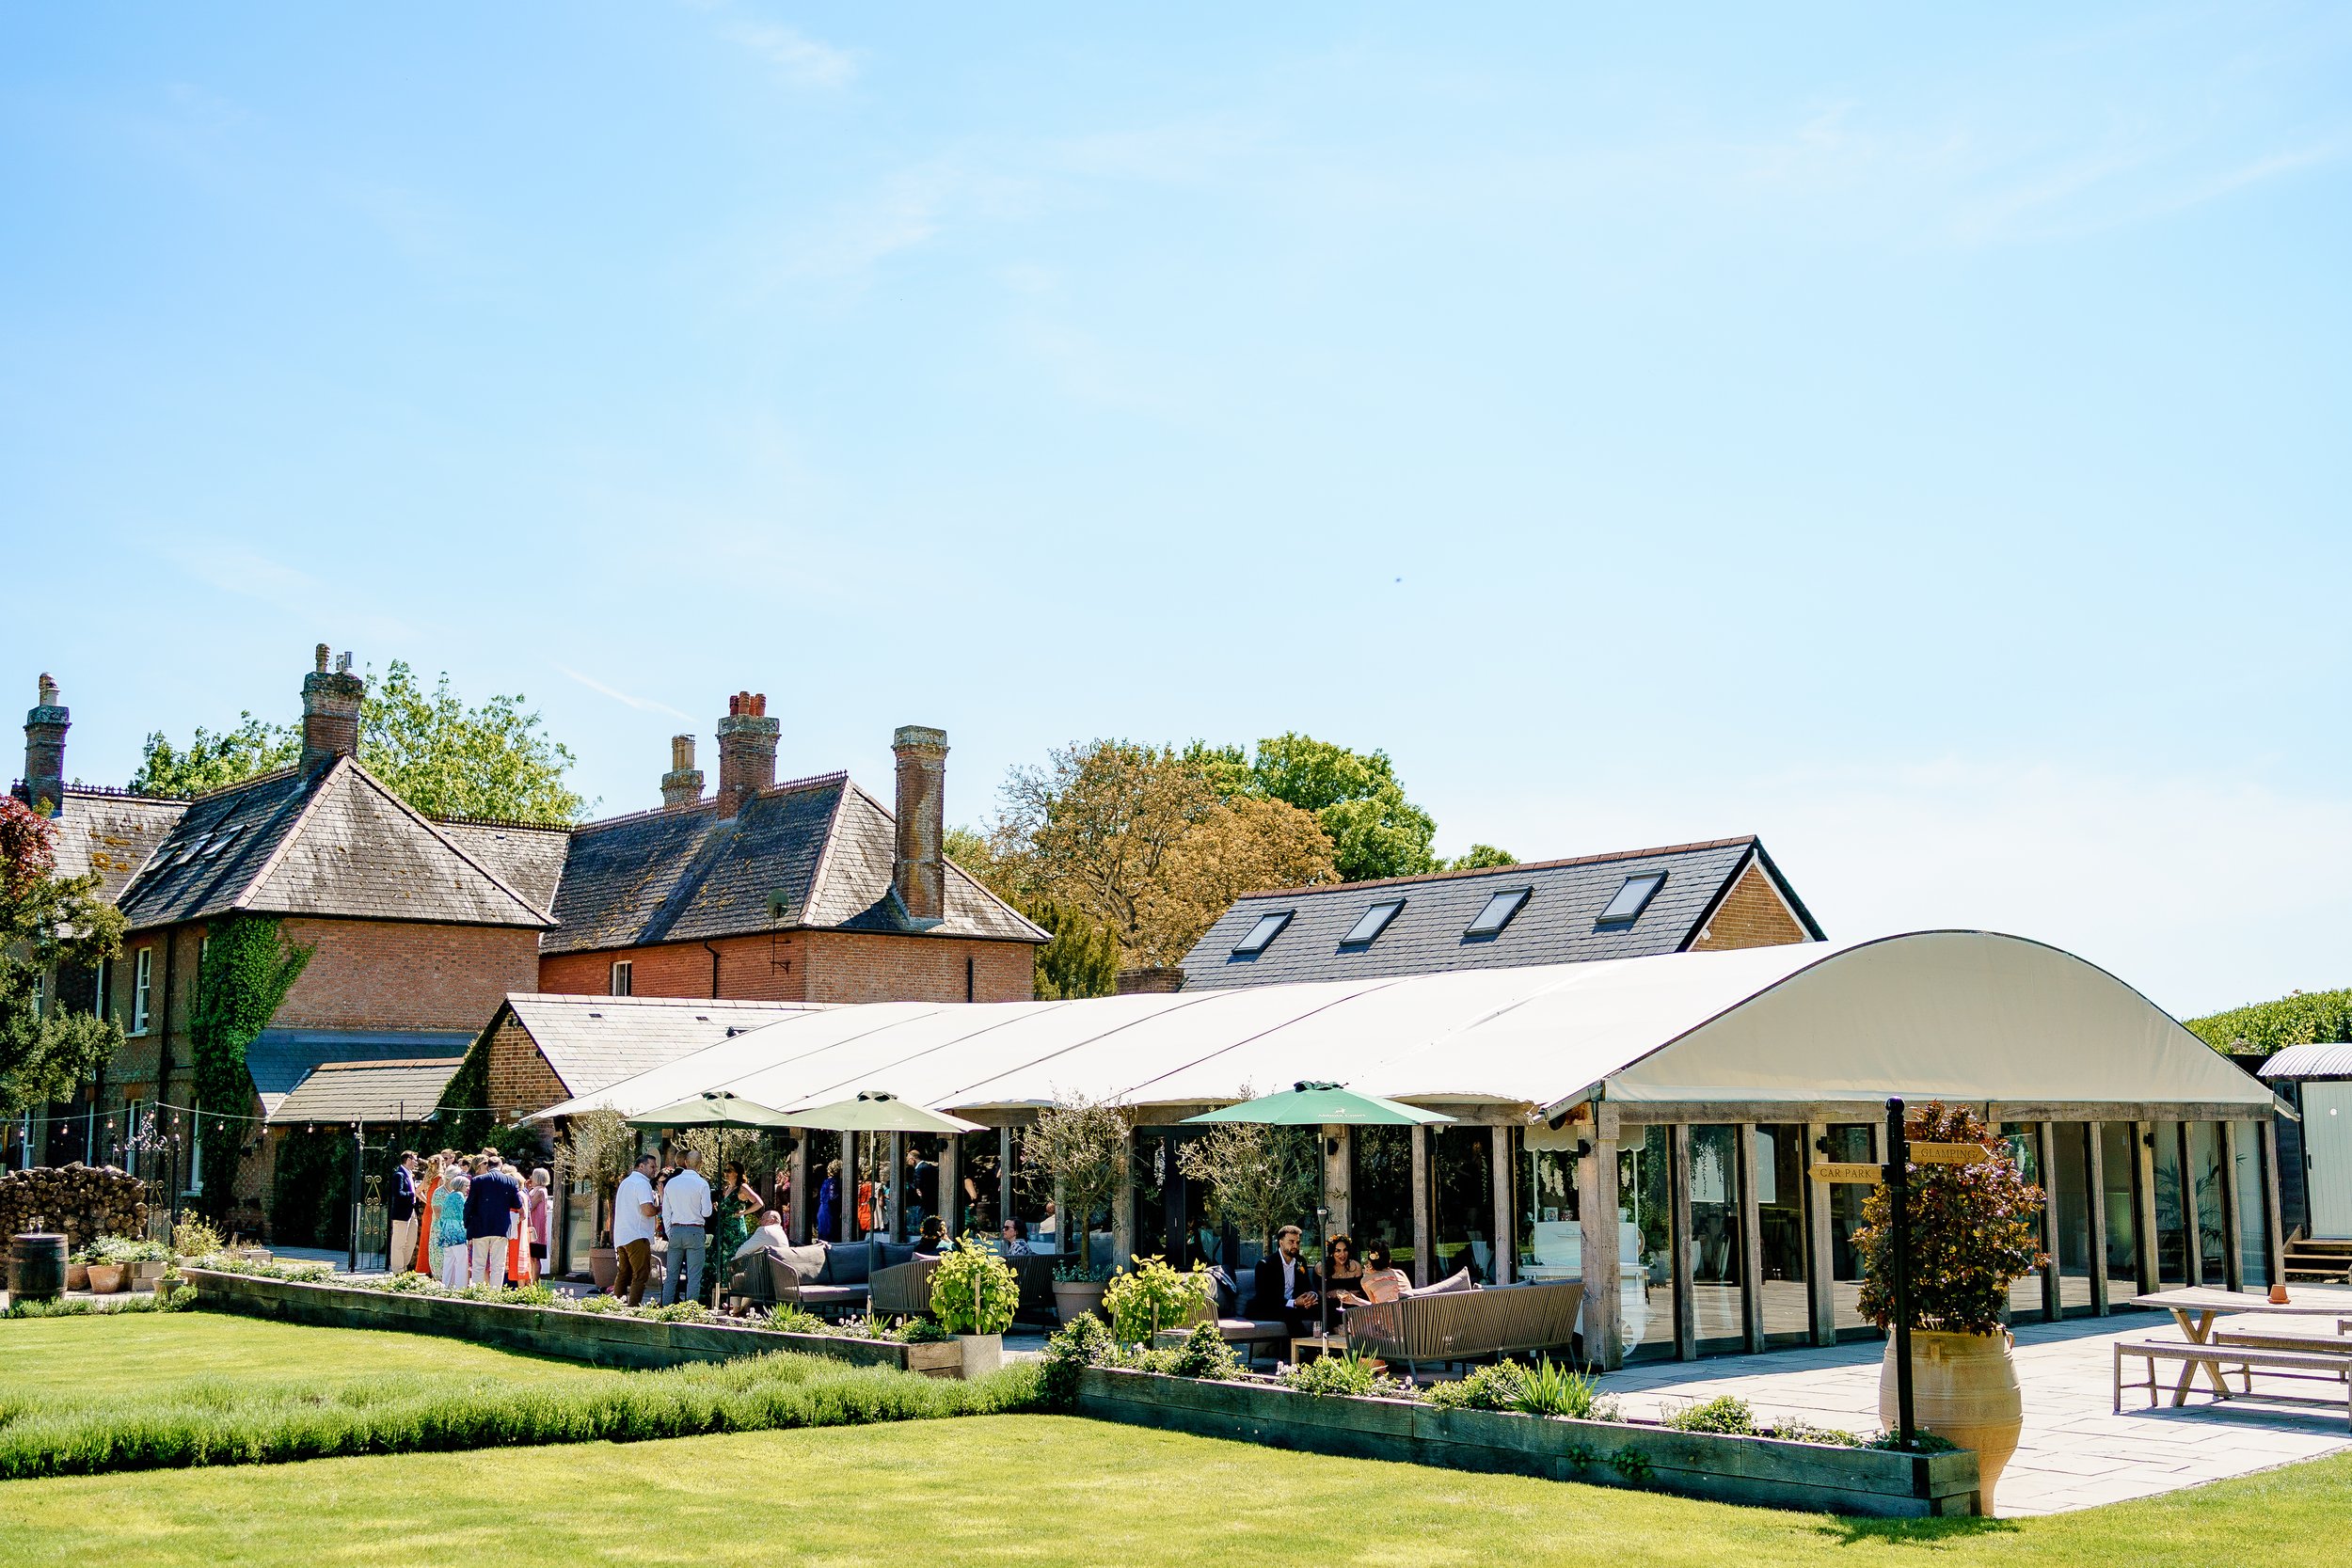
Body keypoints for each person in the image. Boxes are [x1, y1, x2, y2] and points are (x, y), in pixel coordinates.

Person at [660, 1148, 714, 1306]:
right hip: (695, 1229)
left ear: (685, 1163)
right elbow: (707, 1212)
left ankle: (666, 1307)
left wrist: (670, 1233)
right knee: (694, 1275)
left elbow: (666, 1212)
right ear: (701, 1164)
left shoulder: (672, 1183)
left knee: (671, 1275)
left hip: (676, 1229)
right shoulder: (702, 1184)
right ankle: (689, 1310)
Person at [465, 1149, 524, 1288]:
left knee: (478, 1263)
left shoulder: (477, 1181)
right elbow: (516, 1204)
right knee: (498, 1264)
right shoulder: (510, 1181)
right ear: (501, 1165)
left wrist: (467, 1222)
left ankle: (478, 1292)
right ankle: (495, 1293)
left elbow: (470, 1204)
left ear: (488, 1166)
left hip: (480, 1226)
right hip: (500, 1227)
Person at [1249, 1224, 1320, 1335]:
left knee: (1324, 1307)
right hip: (1268, 1307)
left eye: (1297, 1242)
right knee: (1291, 1313)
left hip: (1295, 1306)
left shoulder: (1300, 1261)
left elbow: (1306, 1286)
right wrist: (1295, 1302)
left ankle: (1335, 1346)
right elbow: (1266, 1298)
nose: (1295, 1246)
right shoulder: (1265, 1264)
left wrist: (1311, 1296)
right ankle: (1308, 1349)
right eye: (1291, 1242)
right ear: (1281, 1242)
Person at [611, 1152, 660, 1306]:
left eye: (656, 1167)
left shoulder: (625, 1182)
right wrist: (661, 1208)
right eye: (652, 1166)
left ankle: (616, 1304)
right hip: (637, 1235)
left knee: (624, 1273)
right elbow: (648, 1210)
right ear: (641, 1166)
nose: (655, 1170)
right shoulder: (642, 1183)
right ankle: (633, 1307)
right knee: (640, 1274)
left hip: (622, 1235)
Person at [710, 1162, 758, 1274]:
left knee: (731, 1260)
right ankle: (720, 1289)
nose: (726, 1173)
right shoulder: (727, 1188)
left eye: (729, 1170)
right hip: (722, 1230)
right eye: (725, 1170)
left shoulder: (742, 1188)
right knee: (719, 1261)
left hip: (734, 1231)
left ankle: (731, 1288)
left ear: (737, 1173)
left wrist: (743, 1213)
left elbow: (759, 1203)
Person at [435, 1173, 471, 1290]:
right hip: (456, 1232)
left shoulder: (449, 1196)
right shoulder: (459, 1196)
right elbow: (463, 1214)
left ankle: (446, 1286)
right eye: (466, 1185)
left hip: (446, 1231)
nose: (467, 1188)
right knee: (461, 1261)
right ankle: (461, 1287)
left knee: (448, 1260)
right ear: (461, 1185)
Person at [388, 1150, 421, 1277]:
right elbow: (398, 1194)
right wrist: (413, 1194)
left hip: (411, 1211)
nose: (416, 1162)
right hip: (401, 1213)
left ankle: (404, 1266)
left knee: (411, 1241)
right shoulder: (399, 1175)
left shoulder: (409, 1174)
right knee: (399, 1242)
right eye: (415, 1160)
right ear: (408, 1160)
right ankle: (398, 1271)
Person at [521, 1167, 552, 1284]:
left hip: (536, 1227)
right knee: (532, 1257)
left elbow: (530, 1206)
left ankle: (534, 1282)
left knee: (535, 1257)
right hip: (535, 1226)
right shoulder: (537, 1190)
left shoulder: (539, 1191)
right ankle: (531, 1281)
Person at [1357, 1239, 1411, 1304]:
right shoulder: (1400, 1273)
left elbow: (1374, 1306)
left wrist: (1355, 1300)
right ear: (1389, 1260)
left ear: (1370, 1262)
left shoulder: (1366, 1281)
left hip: (1386, 1313)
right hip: (1409, 1312)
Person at [1322, 1233, 1363, 1305]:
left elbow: (1358, 1293)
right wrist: (1331, 1295)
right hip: (1328, 1306)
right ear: (1332, 1252)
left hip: (1351, 1306)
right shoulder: (1321, 1267)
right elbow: (1320, 1295)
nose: (1343, 1254)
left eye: (1345, 1250)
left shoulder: (1356, 1267)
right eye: (1338, 1251)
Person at [815, 1159, 841, 1241]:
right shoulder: (833, 1182)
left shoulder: (825, 1181)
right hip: (829, 1211)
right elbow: (832, 1197)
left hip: (822, 1209)